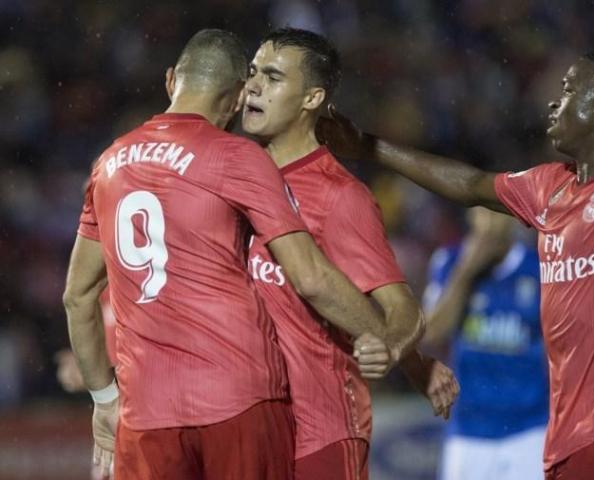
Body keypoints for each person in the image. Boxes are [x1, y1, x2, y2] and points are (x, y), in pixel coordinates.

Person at [318, 11, 594, 479]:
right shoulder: (549, 190)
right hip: (567, 437)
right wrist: (369, 147)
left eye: (567, 91)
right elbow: (470, 183)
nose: (552, 103)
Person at [63, 29, 397, 480]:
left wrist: (105, 401)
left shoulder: (108, 164)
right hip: (238, 398)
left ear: (169, 81)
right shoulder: (237, 157)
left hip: (147, 411)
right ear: (239, 97)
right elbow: (311, 276)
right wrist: (381, 333)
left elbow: (78, 296)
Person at [241, 27, 458, 480]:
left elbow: (399, 309)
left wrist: (397, 351)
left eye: (274, 77)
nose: (254, 86)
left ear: (312, 98)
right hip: (246, 425)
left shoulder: (339, 196)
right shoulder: (236, 176)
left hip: (318, 429)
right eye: (253, 72)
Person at [422, 208, 547, 480]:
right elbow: (433, 333)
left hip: (530, 429)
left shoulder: (538, 268)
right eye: (482, 212)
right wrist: (466, 272)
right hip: (469, 430)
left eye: (497, 212)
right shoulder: (449, 261)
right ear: (470, 215)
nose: (489, 223)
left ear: (514, 217)